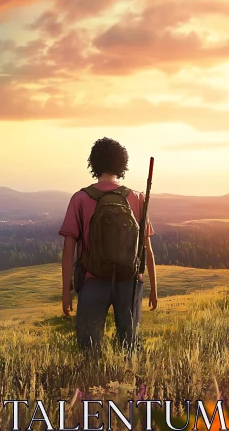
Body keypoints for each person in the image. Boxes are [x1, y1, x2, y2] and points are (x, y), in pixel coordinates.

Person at [59, 137, 158, 357]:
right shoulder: (136, 197)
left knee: (89, 350)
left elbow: (68, 250)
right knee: (130, 348)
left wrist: (66, 292)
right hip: (129, 282)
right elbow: (146, 249)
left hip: (92, 281)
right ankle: (131, 389)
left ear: (93, 163)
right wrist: (153, 288)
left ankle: (92, 389)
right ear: (121, 165)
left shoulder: (80, 198)